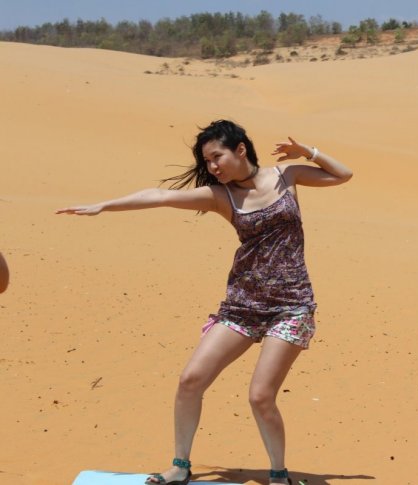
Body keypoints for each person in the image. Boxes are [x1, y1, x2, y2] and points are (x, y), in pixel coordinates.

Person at [57, 120, 352, 485]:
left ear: (240, 149)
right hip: (242, 305)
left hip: (290, 306)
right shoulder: (220, 196)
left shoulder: (285, 176)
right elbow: (159, 196)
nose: (212, 167)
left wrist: (308, 151)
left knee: (260, 396)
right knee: (191, 379)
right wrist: (104, 205)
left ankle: (278, 476)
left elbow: (343, 174)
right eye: (207, 161)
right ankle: (180, 466)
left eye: (217, 157)